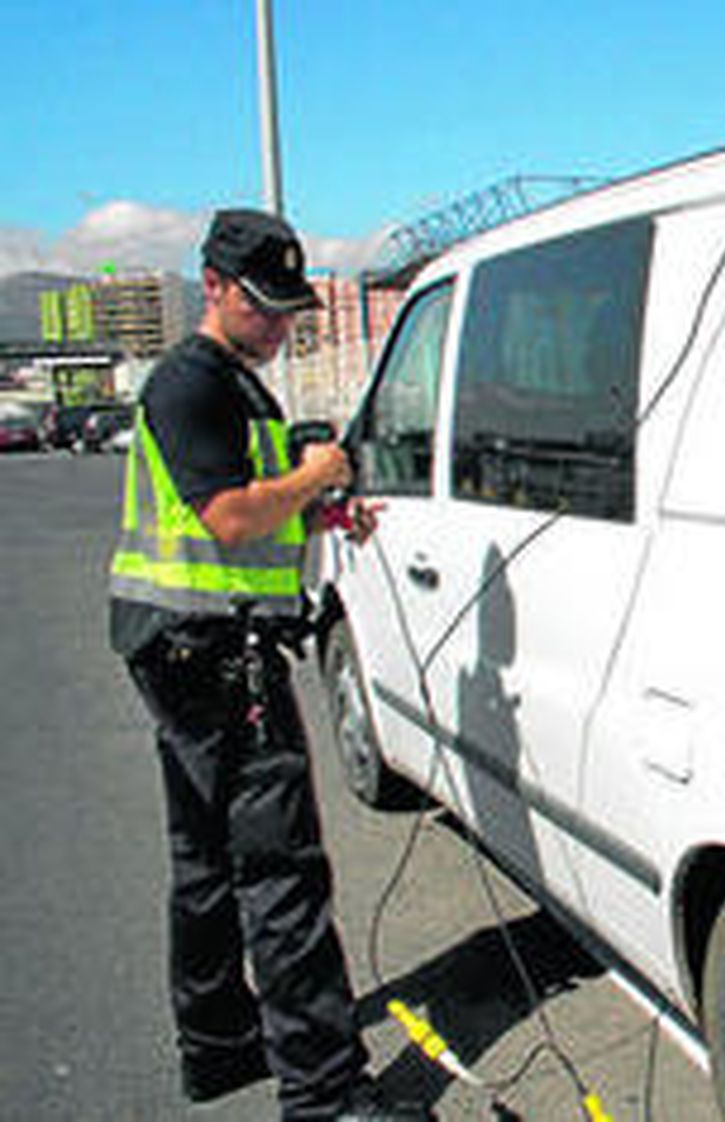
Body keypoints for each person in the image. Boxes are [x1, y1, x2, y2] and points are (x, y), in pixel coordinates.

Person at [108, 208, 424, 1122]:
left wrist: (317, 514)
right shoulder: (188, 384)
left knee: (205, 862)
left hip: (184, 647)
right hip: (213, 657)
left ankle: (218, 1050)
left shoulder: (236, 385)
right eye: (266, 305)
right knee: (282, 875)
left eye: (291, 307)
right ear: (213, 286)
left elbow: (253, 509)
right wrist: (320, 477)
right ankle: (325, 1097)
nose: (282, 324)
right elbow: (230, 518)